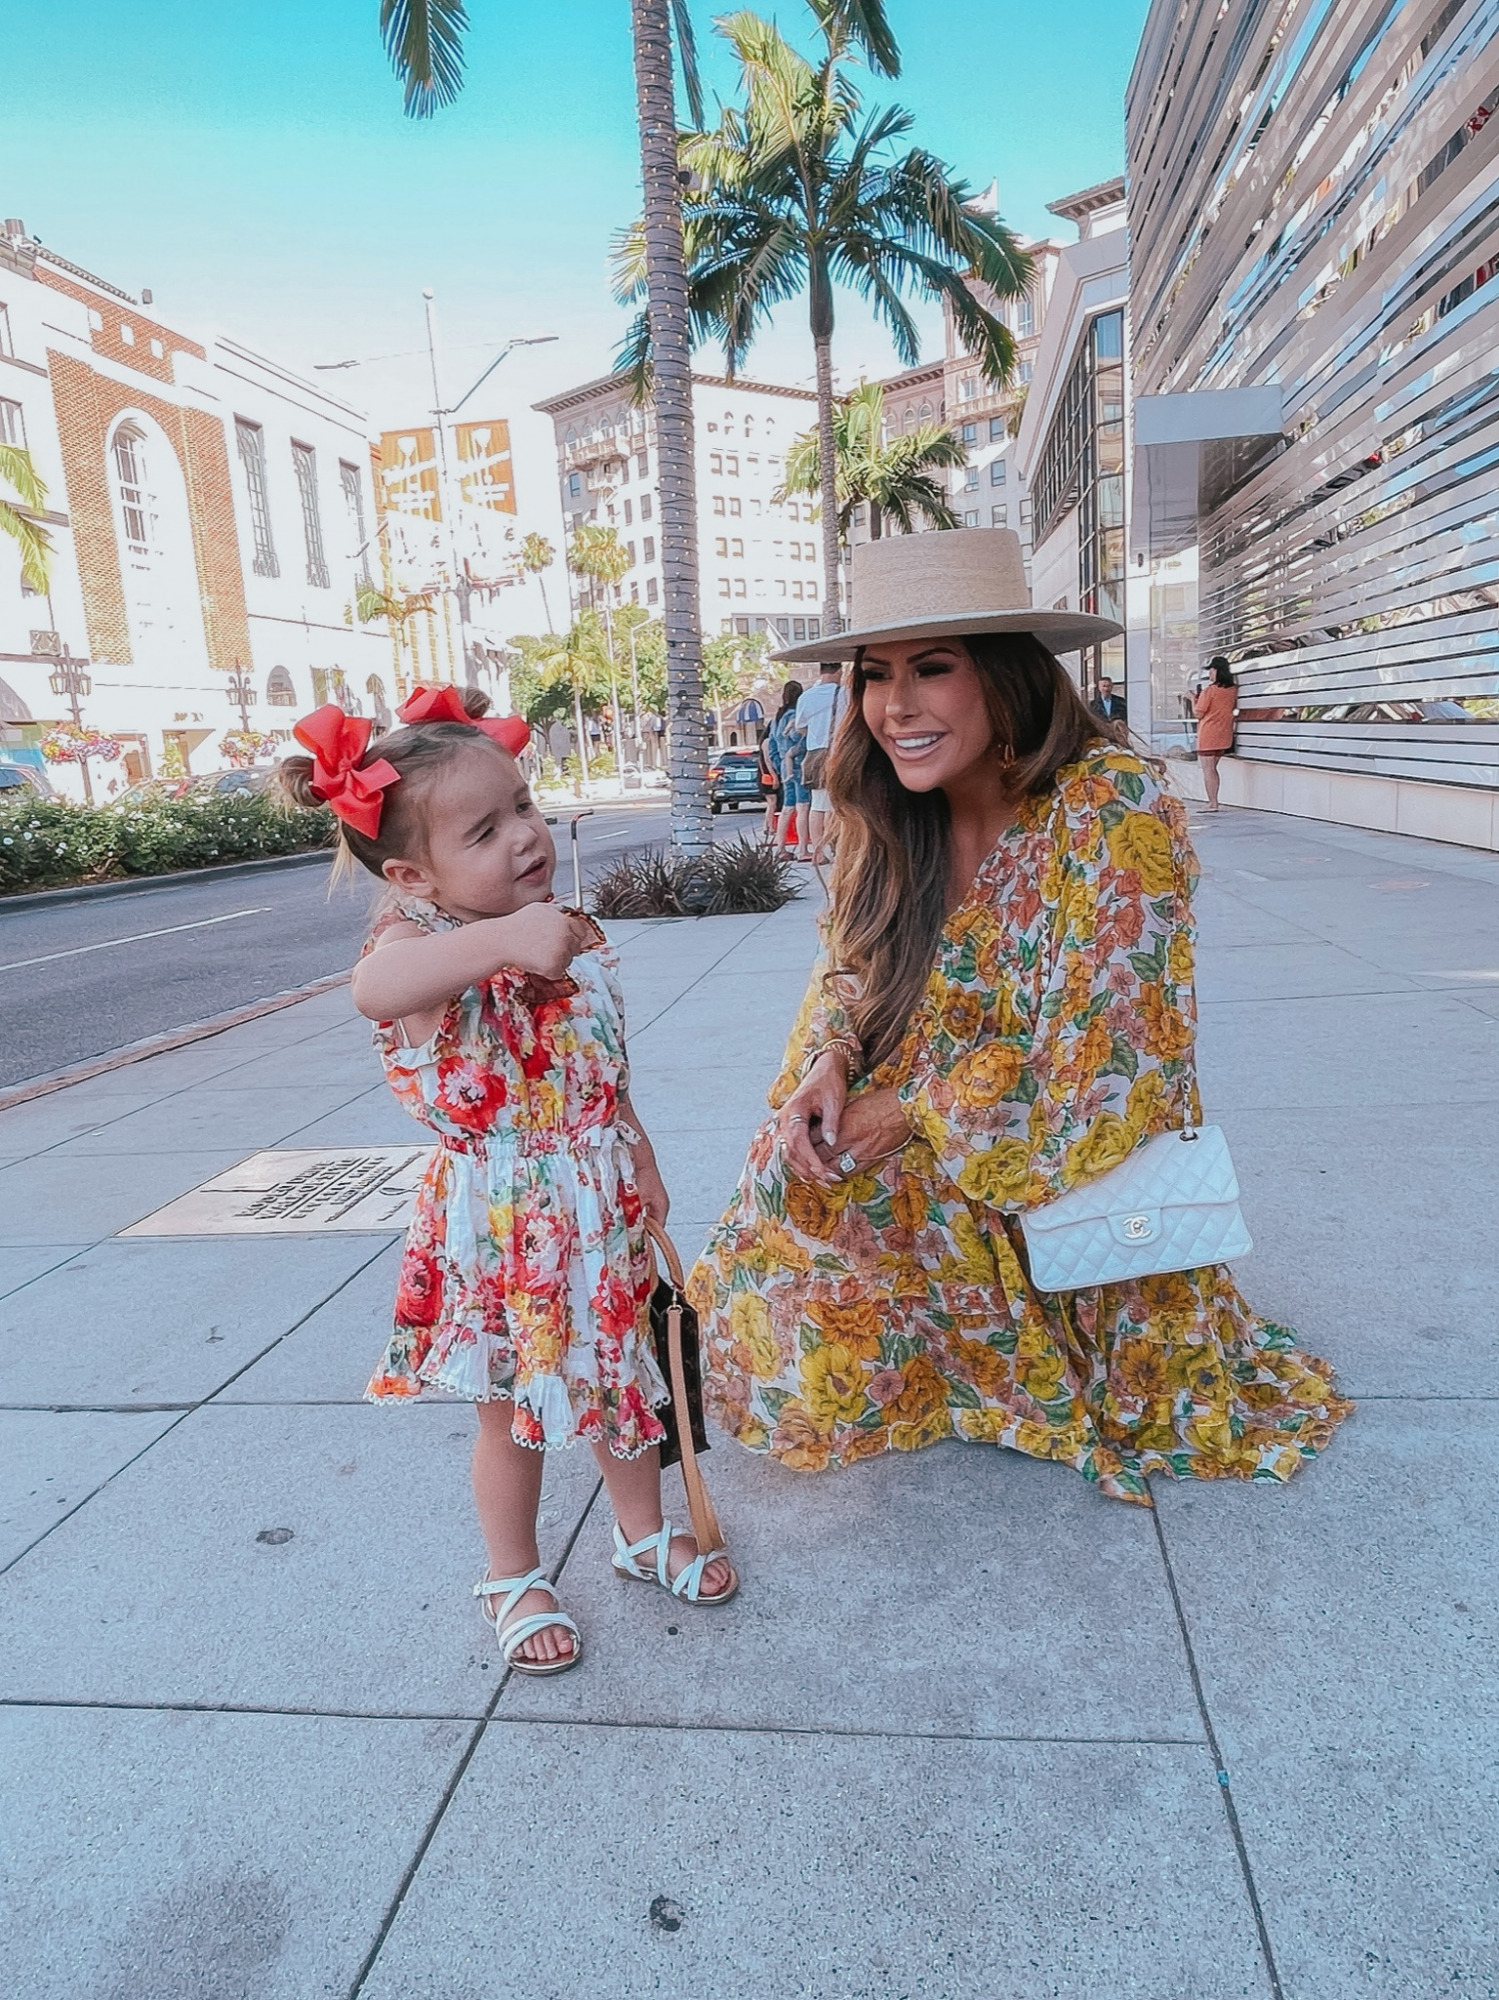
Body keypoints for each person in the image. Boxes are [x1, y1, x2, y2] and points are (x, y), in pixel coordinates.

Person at [689, 530, 1349, 1505]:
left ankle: (1003, 1343)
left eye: (931, 668)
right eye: (873, 674)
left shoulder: (1109, 804)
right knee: (793, 1157)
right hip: (934, 1124)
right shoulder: (890, 808)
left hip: (1059, 1144)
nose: (894, 704)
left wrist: (912, 1108)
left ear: (1002, 672)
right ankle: (926, 1353)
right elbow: (849, 962)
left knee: (881, 1154)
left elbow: (1123, 1051)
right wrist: (830, 1062)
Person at [279, 685, 735, 1677]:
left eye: (522, 807)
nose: (522, 837)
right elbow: (372, 990)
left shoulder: (559, 925)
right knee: (507, 1409)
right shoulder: (415, 951)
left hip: (596, 1196)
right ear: (412, 874)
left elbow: (599, 1066)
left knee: (625, 1381)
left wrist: (640, 1148)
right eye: (483, 831)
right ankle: (514, 1570)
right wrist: (495, 943)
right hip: (497, 1218)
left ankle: (639, 1529)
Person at [794, 661, 846, 863]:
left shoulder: (806, 697)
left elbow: (800, 727)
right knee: (837, 804)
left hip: (815, 754)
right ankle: (838, 848)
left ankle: (817, 852)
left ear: (821, 671)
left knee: (818, 804)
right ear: (839, 671)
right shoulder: (845, 694)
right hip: (839, 753)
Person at [767, 678, 811, 859]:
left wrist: (780, 766)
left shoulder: (776, 719)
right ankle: (802, 849)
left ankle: (781, 847)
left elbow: (771, 746)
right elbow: (796, 737)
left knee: (787, 807)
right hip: (799, 764)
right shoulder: (794, 716)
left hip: (786, 770)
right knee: (803, 807)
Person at [1193, 657, 1238, 811]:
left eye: (1211, 670)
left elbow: (1198, 713)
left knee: (1208, 770)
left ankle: (1212, 802)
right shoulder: (1232, 690)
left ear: (1216, 670)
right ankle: (1214, 801)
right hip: (1224, 734)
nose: (1210, 673)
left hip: (1208, 734)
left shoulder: (1209, 691)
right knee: (1213, 768)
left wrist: (1193, 699)